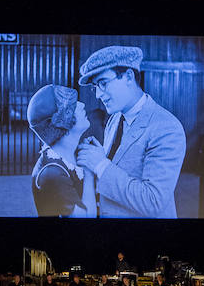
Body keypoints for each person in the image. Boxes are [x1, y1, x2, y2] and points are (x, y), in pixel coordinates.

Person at [76, 46, 186, 218]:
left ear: (128, 76)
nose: (98, 94)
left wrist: (100, 164)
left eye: (103, 83)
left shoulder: (167, 127)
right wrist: (96, 160)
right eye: (95, 87)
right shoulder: (115, 118)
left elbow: (152, 201)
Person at [27, 84, 97, 217]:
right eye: (73, 106)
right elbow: (88, 217)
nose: (82, 105)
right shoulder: (52, 173)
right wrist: (88, 173)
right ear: (62, 121)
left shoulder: (71, 155)